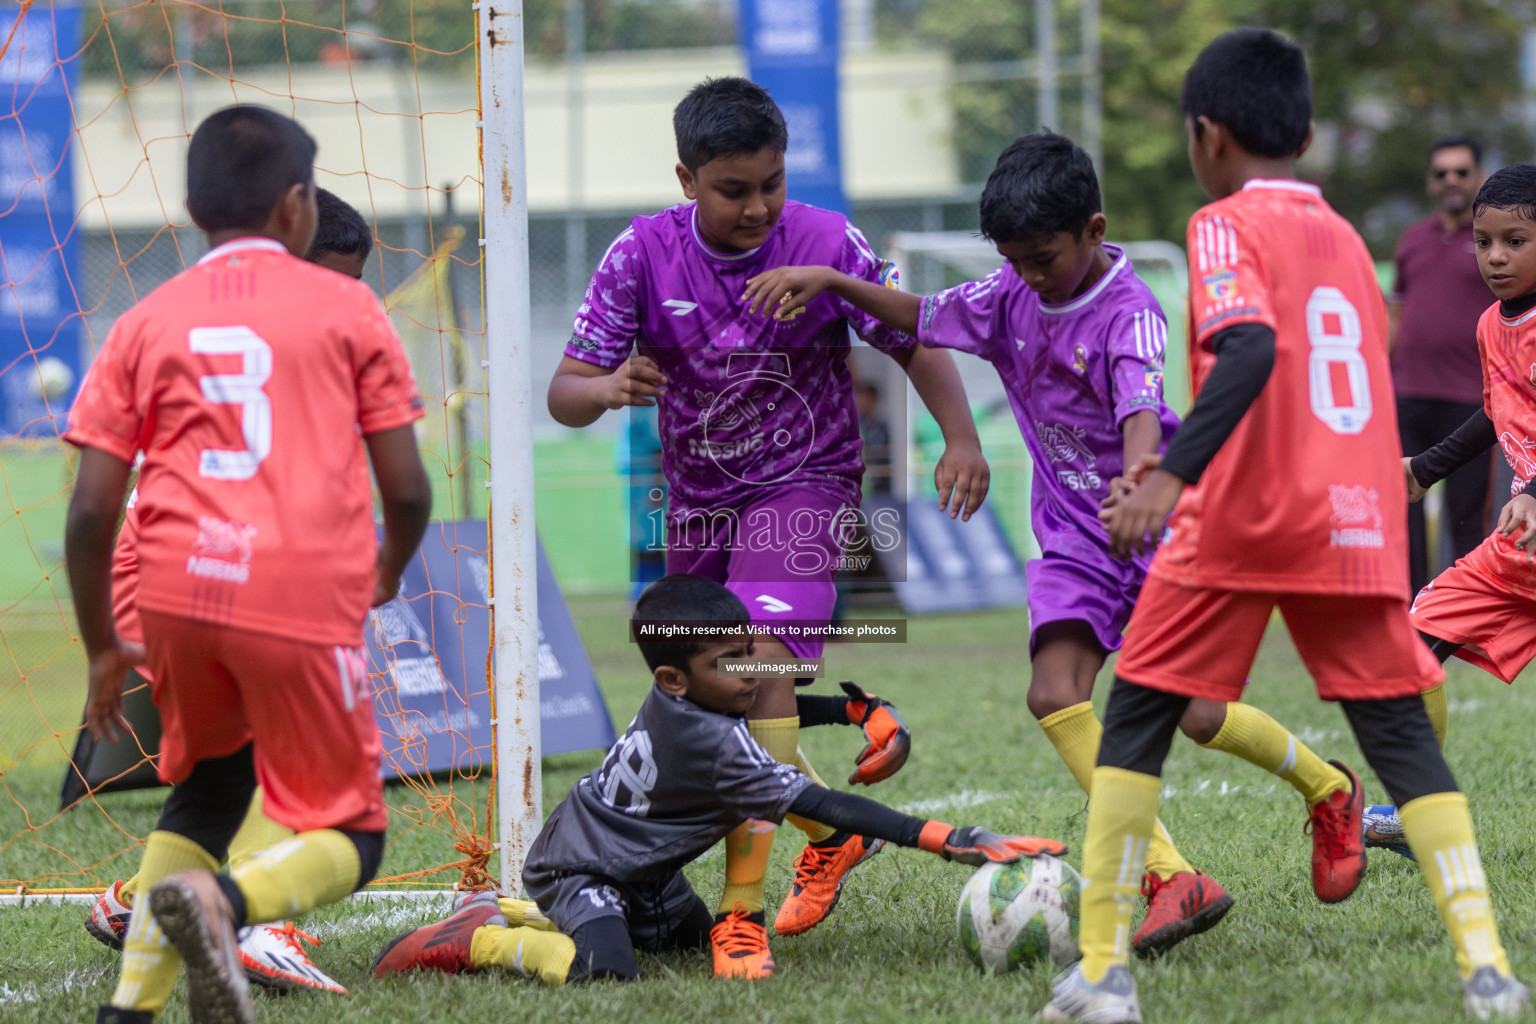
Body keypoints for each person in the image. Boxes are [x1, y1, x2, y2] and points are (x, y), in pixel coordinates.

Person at [742, 130, 1356, 960]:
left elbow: (1143, 412)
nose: (1030, 274)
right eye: (1014, 259)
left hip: (1159, 533)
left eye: (1044, 257)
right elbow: (922, 316)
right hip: (1072, 537)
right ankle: (1169, 874)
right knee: (1052, 692)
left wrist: (1142, 476)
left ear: (1095, 231)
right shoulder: (1006, 294)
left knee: (1200, 716)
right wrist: (833, 282)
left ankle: (1327, 787)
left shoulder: (1130, 312)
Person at [1036, 30, 1527, 1022]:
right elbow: (1365, 356)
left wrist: (1172, 477)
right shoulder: (1349, 236)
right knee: (1400, 738)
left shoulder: (1222, 224)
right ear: (1305, 131)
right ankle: (1487, 969)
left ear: (1206, 136)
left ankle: (1101, 973)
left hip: (1243, 515)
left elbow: (1251, 348)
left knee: (1133, 717)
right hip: (1349, 516)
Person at [545, 76, 988, 976]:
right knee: (710, 694)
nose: (758, 207)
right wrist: (604, 388)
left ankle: (739, 914)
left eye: (772, 185)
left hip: (808, 484)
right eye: (733, 189)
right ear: (686, 178)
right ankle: (830, 831)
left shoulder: (829, 241)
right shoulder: (639, 257)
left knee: (758, 665)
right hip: (700, 503)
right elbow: (564, 392)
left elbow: (912, 339)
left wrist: (961, 437)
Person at [66, 106, 431, 1024]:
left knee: (208, 792)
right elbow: (410, 490)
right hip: (296, 588)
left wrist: (103, 646)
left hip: (172, 589)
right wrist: (387, 567)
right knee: (354, 831)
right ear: (298, 207)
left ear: (194, 211)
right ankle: (228, 907)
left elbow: (88, 512)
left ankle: (128, 1013)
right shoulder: (349, 307)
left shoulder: (144, 320)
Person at [371, 574, 1063, 985]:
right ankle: (483, 937)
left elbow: (775, 694)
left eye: (750, 653)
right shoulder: (707, 739)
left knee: (687, 947)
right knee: (606, 972)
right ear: (674, 678)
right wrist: (951, 838)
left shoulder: (688, 692)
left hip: (649, 872)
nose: (754, 674)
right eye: (734, 663)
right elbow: (825, 801)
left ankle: (527, 914)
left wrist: (855, 708)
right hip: (579, 865)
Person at [1362, 164, 1536, 861]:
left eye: (1515, 242)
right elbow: (1497, 414)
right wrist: (1422, 470)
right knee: (1410, 643)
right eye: (1484, 242)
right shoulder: (1494, 327)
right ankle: (1420, 810)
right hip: (1520, 547)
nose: (1495, 257)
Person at [1389, 137, 1493, 595]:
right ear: (1431, 182)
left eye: (1461, 171)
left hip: (1473, 401)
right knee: (1401, 510)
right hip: (1408, 395)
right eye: (1441, 173)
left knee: (1467, 517)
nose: (1451, 180)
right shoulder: (1413, 238)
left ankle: (1464, 615)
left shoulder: (1497, 238)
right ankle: (1411, 616)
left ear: (1479, 177)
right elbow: (1396, 312)